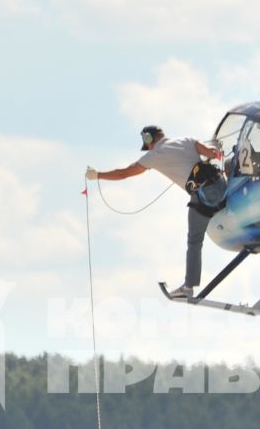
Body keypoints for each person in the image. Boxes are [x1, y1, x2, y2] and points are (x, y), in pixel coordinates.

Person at [87, 124, 226, 298]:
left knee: (194, 241)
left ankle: (188, 288)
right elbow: (213, 154)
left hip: (205, 196)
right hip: (222, 185)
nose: (148, 147)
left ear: (149, 139)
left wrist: (98, 175)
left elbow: (124, 173)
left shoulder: (154, 155)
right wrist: (215, 150)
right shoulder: (187, 140)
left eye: (147, 143)